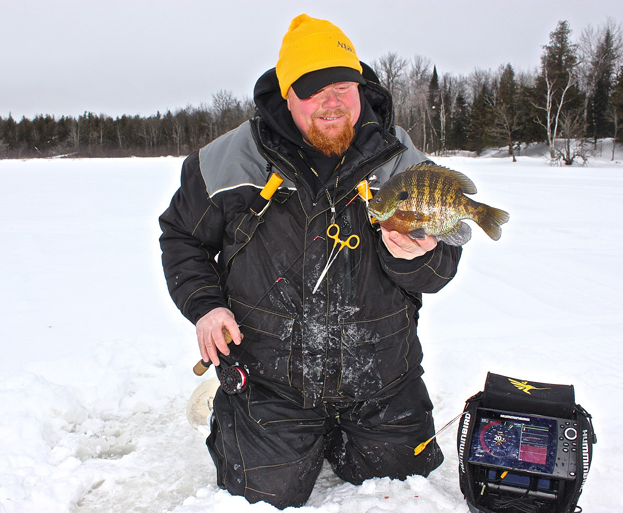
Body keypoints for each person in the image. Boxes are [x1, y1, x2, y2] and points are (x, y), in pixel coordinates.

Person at [159, 14, 462, 509]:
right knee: (262, 496)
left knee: (407, 492)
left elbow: (439, 268)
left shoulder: (402, 160)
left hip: (382, 377)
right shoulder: (226, 161)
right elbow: (181, 238)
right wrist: (206, 306)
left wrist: (419, 256)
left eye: (344, 86)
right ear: (286, 94)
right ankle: (234, 410)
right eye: (312, 89)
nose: (332, 102)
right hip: (271, 379)